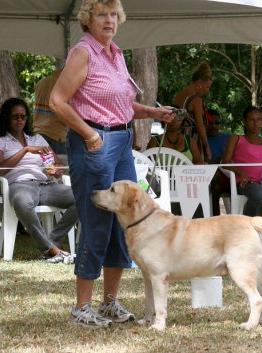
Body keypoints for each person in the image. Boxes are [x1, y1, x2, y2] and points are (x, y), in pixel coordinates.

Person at [49, 0, 174, 328]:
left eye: (113, 15)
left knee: (126, 218)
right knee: (98, 221)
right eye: (101, 14)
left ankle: (109, 303)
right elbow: (57, 101)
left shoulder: (115, 53)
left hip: (120, 141)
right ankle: (81, 306)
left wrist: (151, 112)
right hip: (95, 142)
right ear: (87, 19)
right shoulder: (84, 52)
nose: (109, 20)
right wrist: (89, 134)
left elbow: (120, 102)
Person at [0, 98, 78, 262]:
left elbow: (56, 164)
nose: (20, 120)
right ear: (7, 117)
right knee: (22, 203)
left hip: (45, 185)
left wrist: (55, 168)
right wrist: (26, 150)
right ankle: (50, 249)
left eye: (23, 116)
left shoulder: (37, 138)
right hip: (20, 185)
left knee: (82, 196)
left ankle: (52, 244)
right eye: (16, 117)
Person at [222, 106, 262, 217]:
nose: (255, 123)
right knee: (259, 193)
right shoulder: (236, 139)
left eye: (258, 120)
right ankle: (248, 225)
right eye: (251, 120)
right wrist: (240, 172)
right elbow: (224, 163)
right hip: (246, 183)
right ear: (244, 121)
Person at [172, 62, 213, 162]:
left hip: (176, 139)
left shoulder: (177, 96)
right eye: (206, 87)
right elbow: (200, 126)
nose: (207, 90)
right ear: (199, 83)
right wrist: (206, 147)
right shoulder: (196, 100)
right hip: (191, 141)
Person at [33, 69, 67, 155]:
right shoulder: (64, 86)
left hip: (39, 132)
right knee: (59, 167)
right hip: (55, 134)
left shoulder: (41, 82)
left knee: (44, 167)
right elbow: (64, 115)